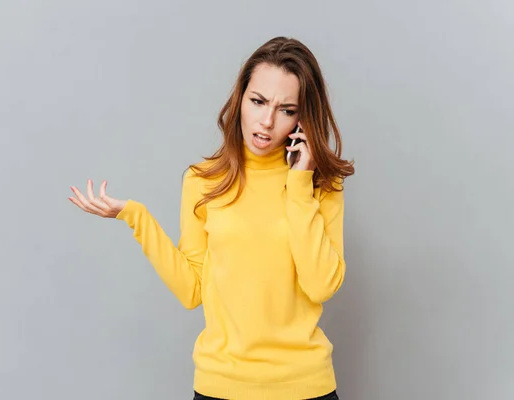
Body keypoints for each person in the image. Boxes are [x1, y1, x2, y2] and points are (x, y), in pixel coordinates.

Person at [69, 36, 354, 400]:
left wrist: (299, 183)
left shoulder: (321, 185)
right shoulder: (204, 181)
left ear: (302, 118)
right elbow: (192, 290)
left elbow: (322, 285)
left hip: (306, 386)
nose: (266, 121)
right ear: (240, 100)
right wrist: (134, 215)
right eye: (258, 101)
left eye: (286, 110)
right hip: (221, 386)